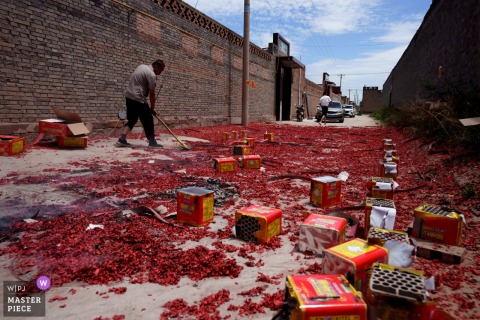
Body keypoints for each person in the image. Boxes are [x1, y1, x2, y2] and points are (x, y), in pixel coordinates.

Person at [117, 60, 165, 148]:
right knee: (148, 120)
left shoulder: (142, 66)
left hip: (129, 96)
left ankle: (122, 139)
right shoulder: (151, 74)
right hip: (137, 98)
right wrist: (152, 108)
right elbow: (152, 94)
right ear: (156, 67)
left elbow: (143, 87)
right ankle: (152, 142)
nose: (160, 73)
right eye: (160, 70)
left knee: (132, 119)